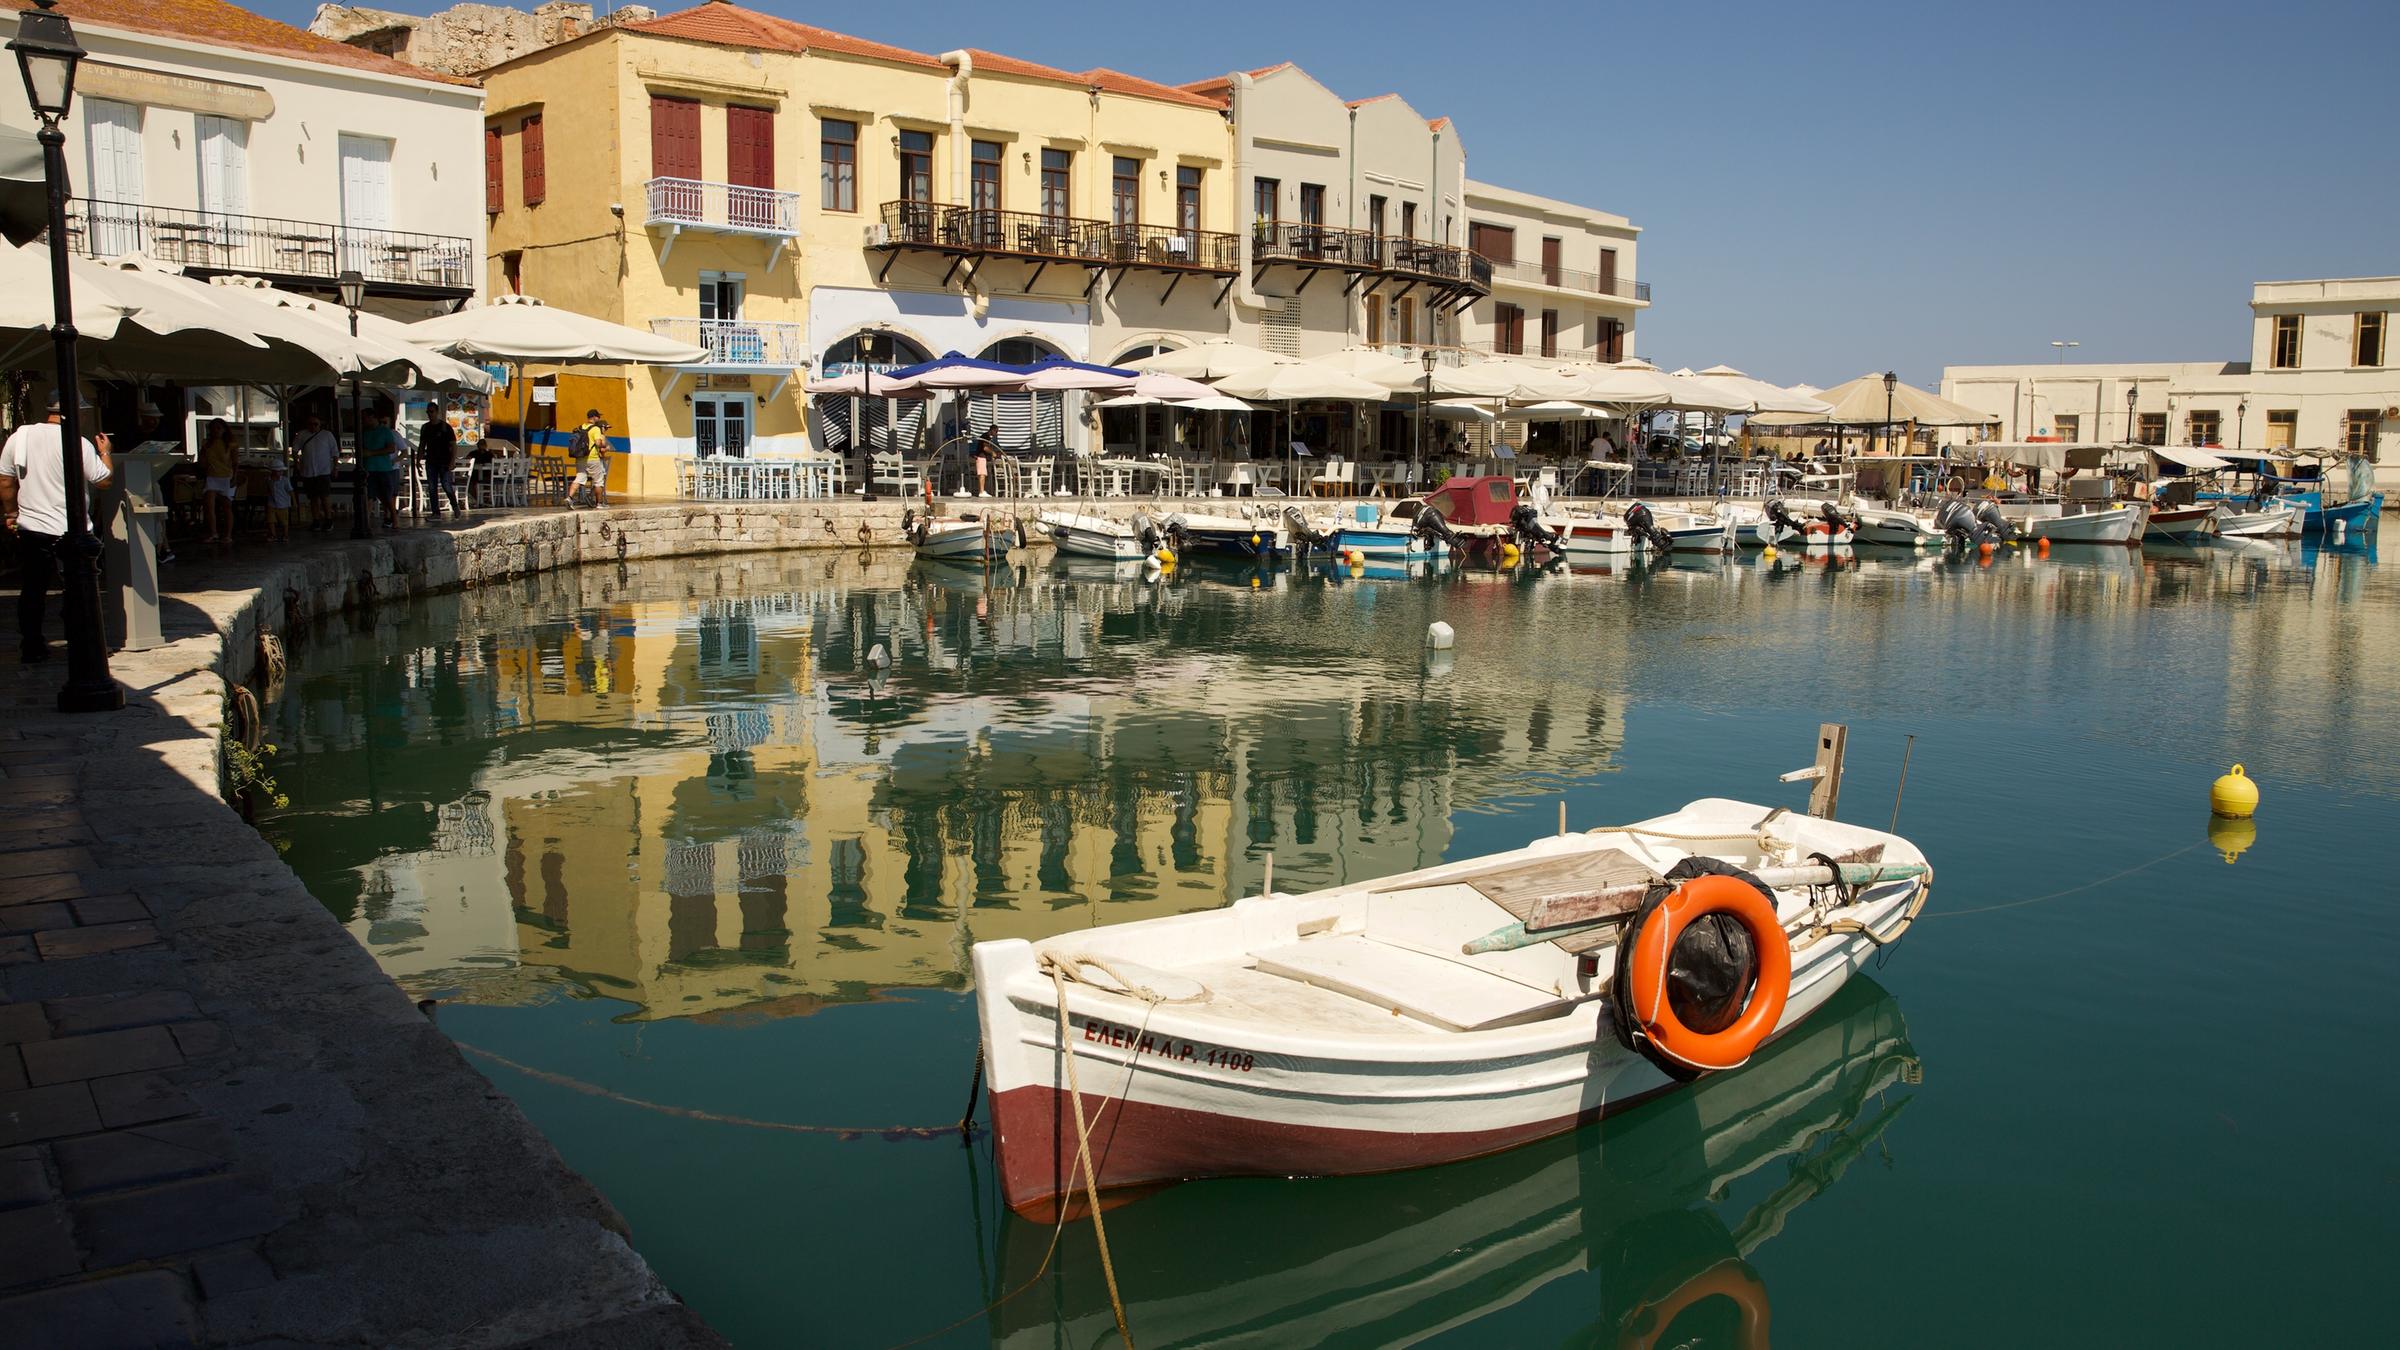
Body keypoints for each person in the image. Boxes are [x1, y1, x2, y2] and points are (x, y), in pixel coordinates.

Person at [0, 391, 113, 663]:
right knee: (77, 589)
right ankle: (80, 642)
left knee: (33, 589)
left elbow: (5, 481)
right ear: (74, 412)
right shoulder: (78, 442)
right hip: (71, 529)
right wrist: (105, 453)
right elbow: (104, 481)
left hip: (32, 527)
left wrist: (11, 514)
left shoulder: (20, 437)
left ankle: (32, 645)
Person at [418, 400, 463, 520]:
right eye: (428, 412)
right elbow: (422, 445)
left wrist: (452, 462)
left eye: (432, 412)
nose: (429, 414)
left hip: (444, 461)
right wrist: (418, 460)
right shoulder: (425, 428)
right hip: (431, 461)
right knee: (432, 487)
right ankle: (436, 513)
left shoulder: (445, 427)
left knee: (446, 485)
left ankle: (455, 506)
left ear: (437, 412)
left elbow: (453, 445)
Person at [295, 413, 338, 532]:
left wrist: (335, 467)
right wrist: (297, 463)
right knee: (313, 498)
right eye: (311, 424)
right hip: (308, 471)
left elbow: (335, 452)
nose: (313, 426)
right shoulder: (302, 435)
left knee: (324, 496)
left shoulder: (327, 435)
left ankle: (328, 520)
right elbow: (295, 449)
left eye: (316, 424)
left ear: (320, 424)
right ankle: (316, 520)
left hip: (323, 470)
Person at [198, 419, 237, 544]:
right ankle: (213, 532)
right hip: (211, 476)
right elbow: (202, 461)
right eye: (213, 428)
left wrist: (234, 477)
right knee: (209, 506)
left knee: (227, 506)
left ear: (224, 429)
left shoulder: (231, 444)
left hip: (226, 476)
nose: (216, 431)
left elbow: (236, 462)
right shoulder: (207, 444)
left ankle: (228, 534)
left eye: (218, 428)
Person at [360, 409, 400, 527]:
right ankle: (365, 523)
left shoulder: (385, 431)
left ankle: (394, 519)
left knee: (387, 497)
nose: (363, 421)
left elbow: (391, 448)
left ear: (372, 417)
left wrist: (372, 453)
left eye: (365, 418)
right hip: (369, 468)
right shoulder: (364, 432)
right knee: (369, 496)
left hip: (383, 468)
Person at [571, 409, 611, 509]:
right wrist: (604, 445)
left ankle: (569, 498)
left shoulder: (581, 427)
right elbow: (598, 443)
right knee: (598, 481)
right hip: (592, 458)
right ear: (594, 417)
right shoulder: (595, 429)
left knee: (579, 478)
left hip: (580, 457)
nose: (599, 418)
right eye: (598, 417)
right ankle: (599, 504)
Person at [264, 459, 293, 542]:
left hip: (283, 503)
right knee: (271, 520)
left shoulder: (284, 480)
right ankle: (273, 535)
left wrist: (293, 502)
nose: (280, 473)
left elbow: (290, 491)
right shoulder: (268, 480)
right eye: (279, 471)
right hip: (272, 503)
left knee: (284, 521)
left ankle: (285, 534)